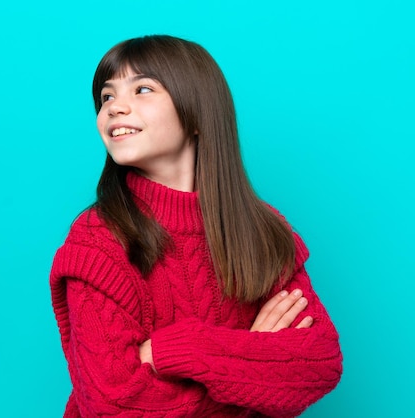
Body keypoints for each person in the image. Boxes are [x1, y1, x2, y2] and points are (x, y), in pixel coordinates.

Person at [50, 35, 342, 417]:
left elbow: (318, 363)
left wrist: (181, 349)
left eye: (142, 89)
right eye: (106, 97)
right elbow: (113, 405)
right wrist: (251, 360)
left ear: (198, 115)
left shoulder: (262, 229)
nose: (115, 108)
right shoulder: (98, 242)